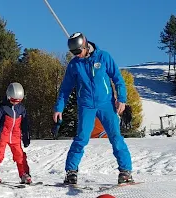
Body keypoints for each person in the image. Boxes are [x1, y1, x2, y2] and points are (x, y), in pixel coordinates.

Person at [53, 32, 134, 185]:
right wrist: (59, 108)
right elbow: (65, 89)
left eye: (78, 51)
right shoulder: (74, 64)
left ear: (85, 45)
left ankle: (125, 171)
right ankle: (71, 172)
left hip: (106, 104)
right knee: (81, 138)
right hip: (86, 105)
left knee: (115, 137)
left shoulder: (103, 57)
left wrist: (121, 99)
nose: (76, 55)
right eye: (73, 53)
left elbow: (118, 78)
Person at [0, 82, 32, 184]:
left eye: (18, 101)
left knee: (20, 155)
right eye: (13, 100)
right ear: (8, 96)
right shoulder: (2, 107)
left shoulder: (21, 109)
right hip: (3, 135)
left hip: (16, 136)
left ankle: (24, 174)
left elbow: (25, 125)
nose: (15, 103)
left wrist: (26, 138)